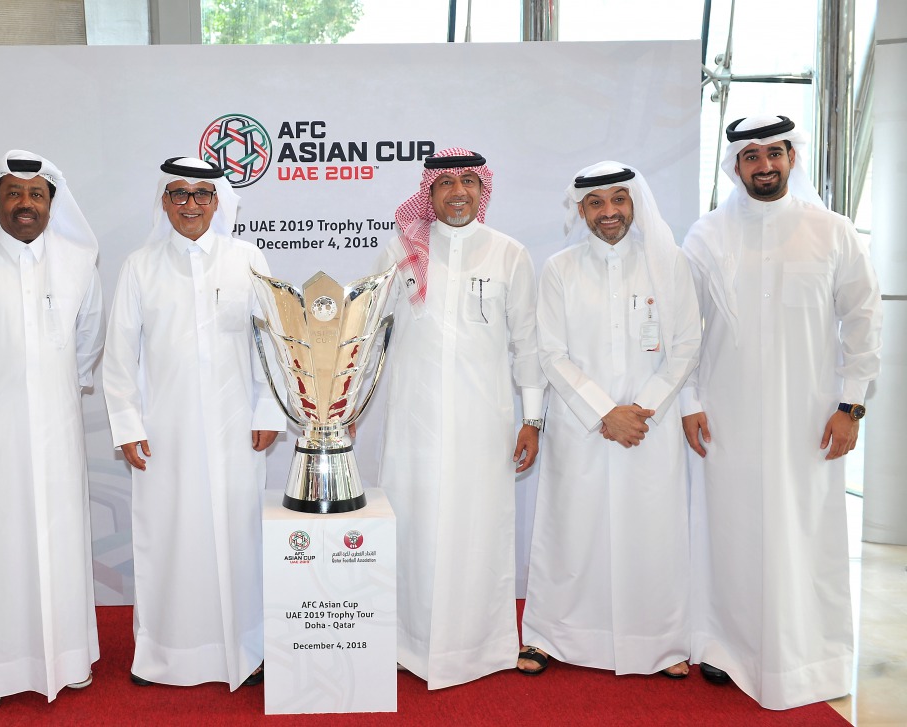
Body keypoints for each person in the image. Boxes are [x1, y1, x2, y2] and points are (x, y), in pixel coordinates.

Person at [681, 115, 882, 709]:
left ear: (792, 158)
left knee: (805, 535)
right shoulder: (707, 236)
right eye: (751, 156)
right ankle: (723, 646)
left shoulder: (833, 231)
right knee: (728, 533)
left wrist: (851, 405)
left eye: (774, 153)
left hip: (810, 418)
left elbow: (864, 323)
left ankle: (806, 657)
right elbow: (680, 330)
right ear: (735, 166)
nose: (764, 165)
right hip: (726, 416)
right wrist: (689, 402)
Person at [101, 157, 284, 689]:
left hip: (235, 430)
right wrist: (128, 424)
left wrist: (269, 410)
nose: (190, 204)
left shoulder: (247, 259)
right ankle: (166, 655)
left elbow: (271, 342)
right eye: (178, 194)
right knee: (168, 534)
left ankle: (246, 650)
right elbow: (119, 354)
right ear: (163, 202)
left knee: (238, 536)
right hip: (165, 432)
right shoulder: (140, 264)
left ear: (218, 201)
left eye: (203, 194)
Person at [0, 150, 104, 711]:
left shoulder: (81, 262)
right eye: (13, 193)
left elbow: (87, 344)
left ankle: (68, 660)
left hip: (57, 430)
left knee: (60, 540)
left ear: (51, 202)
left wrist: (51, 392)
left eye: (36, 194)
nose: (25, 203)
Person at [519, 162, 700, 680]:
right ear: (581, 210)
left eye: (618, 200)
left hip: (650, 425)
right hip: (584, 427)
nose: (609, 212)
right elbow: (550, 352)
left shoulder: (669, 264)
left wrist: (641, 410)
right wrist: (605, 413)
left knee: (652, 532)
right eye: (596, 203)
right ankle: (553, 636)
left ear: (634, 203)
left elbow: (687, 344)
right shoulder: (559, 268)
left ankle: (659, 644)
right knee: (572, 530)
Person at [372, 147, 544, 689]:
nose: (457, 193)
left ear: (482, 188)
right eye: (445, 183)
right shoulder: (400, 250)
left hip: (482, 424)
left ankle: (478, 647)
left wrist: (532, 420)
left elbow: (529, 346)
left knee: (477, 531)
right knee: (413, 524)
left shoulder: (509, 254)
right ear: (429, 192)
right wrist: (346, 407)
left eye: (468, 181)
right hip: (413, 424)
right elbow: (371, 332)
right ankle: (404, 642)